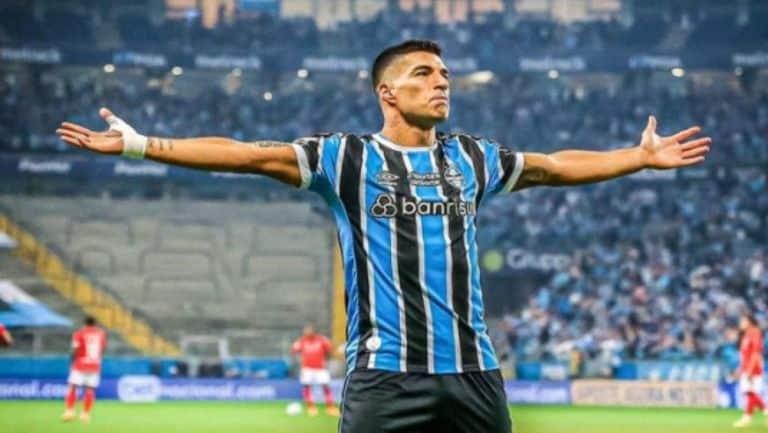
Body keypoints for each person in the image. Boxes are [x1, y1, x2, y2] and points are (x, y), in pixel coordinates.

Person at [56, 39, 711, 432]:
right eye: (423, 73)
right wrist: (142, 144)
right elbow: (247, 154)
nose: (441, 82)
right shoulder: (345, 157)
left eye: (444, 74)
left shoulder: (473, 158)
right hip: (385, 378)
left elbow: (554, 166)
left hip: (474, 373)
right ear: (387, 93)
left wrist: (638, 156)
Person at [62, 316, 107, 423]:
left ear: (85, 323)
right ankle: (85, 414)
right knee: (90, 390)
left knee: (73, 387)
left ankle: (69, 411)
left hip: (80, 364)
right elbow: (103, 348)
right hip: (94, 365)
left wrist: (72, 362)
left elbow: (75, 348)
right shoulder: (101, 334)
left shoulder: (79, 333)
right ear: (95, 323)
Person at [291, 323, 338, 416]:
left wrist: (326, 360)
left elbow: (329, 351)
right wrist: (299, 358)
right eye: (305, 330)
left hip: (320, 368)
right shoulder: (302, 341)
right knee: (307, 387)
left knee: (326, 386)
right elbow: (294, 350)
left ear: (314, 331)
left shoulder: (322, 340)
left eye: (309, 330)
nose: (307, 332)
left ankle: (330, 407)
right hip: (307, 369)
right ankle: (311, 408)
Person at [733, 314, 767, 428]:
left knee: (750, 392)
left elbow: (756, 353)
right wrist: (740, 368)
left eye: (743, 321)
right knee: (749, 392)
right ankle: (747, 417)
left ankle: (763, 410)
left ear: (750, 322)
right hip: (747, 367)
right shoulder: (746, 334)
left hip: (753, 368)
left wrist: (750, 370)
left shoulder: (755, 332)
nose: (741, 323)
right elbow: (745, 355)